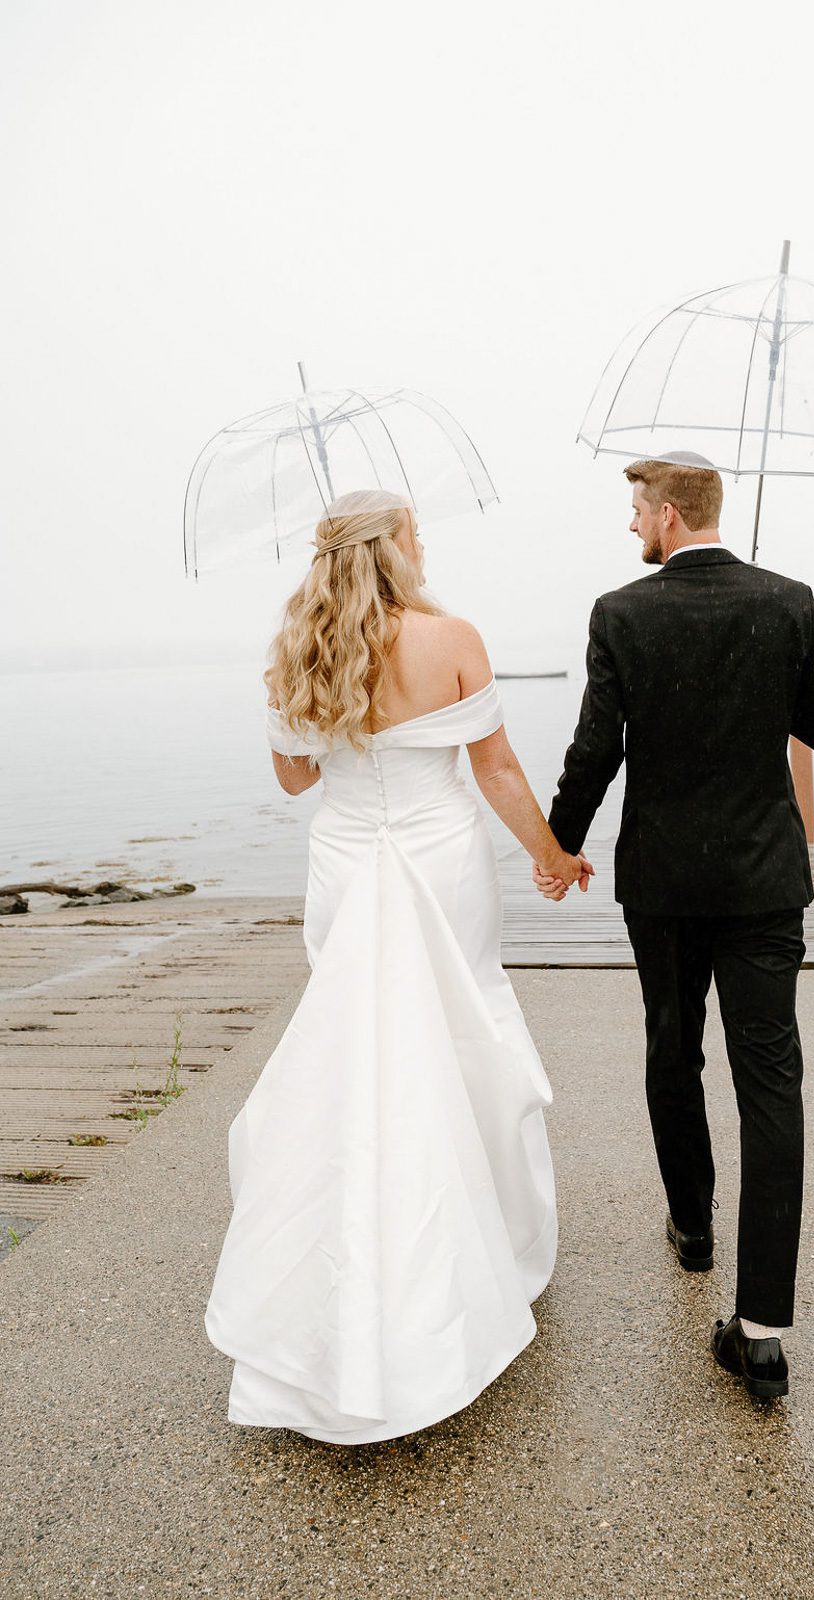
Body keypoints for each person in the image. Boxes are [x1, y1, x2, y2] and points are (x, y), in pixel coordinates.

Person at [204, 488, 591, 1444]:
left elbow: (295, 779)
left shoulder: (294, 649)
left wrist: (314, 703)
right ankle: (480, 1246)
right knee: (460, 1030)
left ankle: (339, 1267)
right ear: (394, 549)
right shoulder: (451, 637)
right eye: (418, 532)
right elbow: (495, 770)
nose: (427, 544)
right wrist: (551, 854)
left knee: (356, 1047)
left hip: (345, 858)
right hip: (438, 858)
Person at [534, 452, 814, 1400]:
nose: (631, 525)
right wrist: (772, 661)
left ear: (669, 514)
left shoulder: (620, 613)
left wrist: (557, 846)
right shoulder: (789, 600)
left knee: (672, 1050)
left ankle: (693, 1226)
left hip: (665, 883)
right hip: (763, 882)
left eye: (637, 509)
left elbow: (595, 748)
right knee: (771, 1083)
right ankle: (761, 1331)